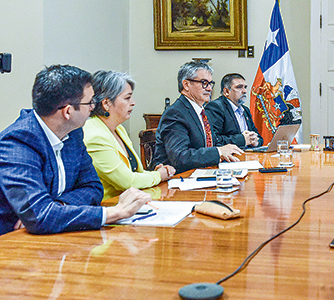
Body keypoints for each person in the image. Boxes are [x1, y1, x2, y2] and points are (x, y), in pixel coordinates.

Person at [0, 65, 150, 235]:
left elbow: (93, 188)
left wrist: (59, 207)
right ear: (68, 111)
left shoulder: (73, 133)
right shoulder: (17, 143)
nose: (94, 106)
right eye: (89, 102)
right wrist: (114, 213)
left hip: (55, 237)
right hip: (12, 243)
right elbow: (40, 216)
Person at [83, 71, 176, 200]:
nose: (133, 103)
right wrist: (159, 175)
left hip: (131, 203)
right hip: (109, 207)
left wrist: (156, 172)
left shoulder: (119, 129)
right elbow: (128, 182)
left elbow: (137, 173)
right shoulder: (95, 136)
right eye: (127, 98)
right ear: (106, 104)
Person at [153, 61, 243, 174]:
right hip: (177, 181)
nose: (210, 89)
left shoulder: (202, 112)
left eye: (211, 83)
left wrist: (229, 148)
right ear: (186, 85)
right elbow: (180, 157)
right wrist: (218, 152)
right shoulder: (175, 113)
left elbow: (212, 143)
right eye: (204, 83)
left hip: (201, 174)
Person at [204, 73, 263, 149]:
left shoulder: (245, 110)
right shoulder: (216, 107)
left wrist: (256, 141)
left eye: (245, 87)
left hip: (247, 156)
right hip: (228, 158)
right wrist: (242, 139)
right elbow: (214, 140)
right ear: (226, 91)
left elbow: (259, 138)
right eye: (239, 87)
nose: (244, 91)